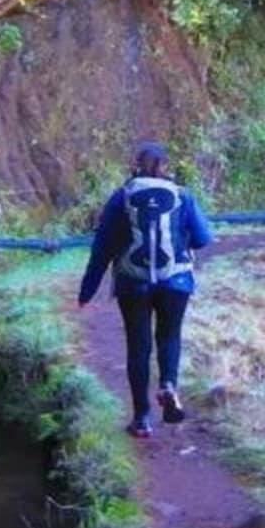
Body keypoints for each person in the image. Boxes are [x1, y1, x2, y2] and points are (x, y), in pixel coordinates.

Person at [77, 143, 214, 438]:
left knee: (138, 346)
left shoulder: (122, 196)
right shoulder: (182, 195)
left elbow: (102, 248)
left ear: (135, 165)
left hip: (133, 282)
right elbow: (203, 238)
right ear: (166, 166)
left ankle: (141, 419)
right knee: (169, 336)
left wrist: (86, 292)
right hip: (176, 281)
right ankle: (168, 385)